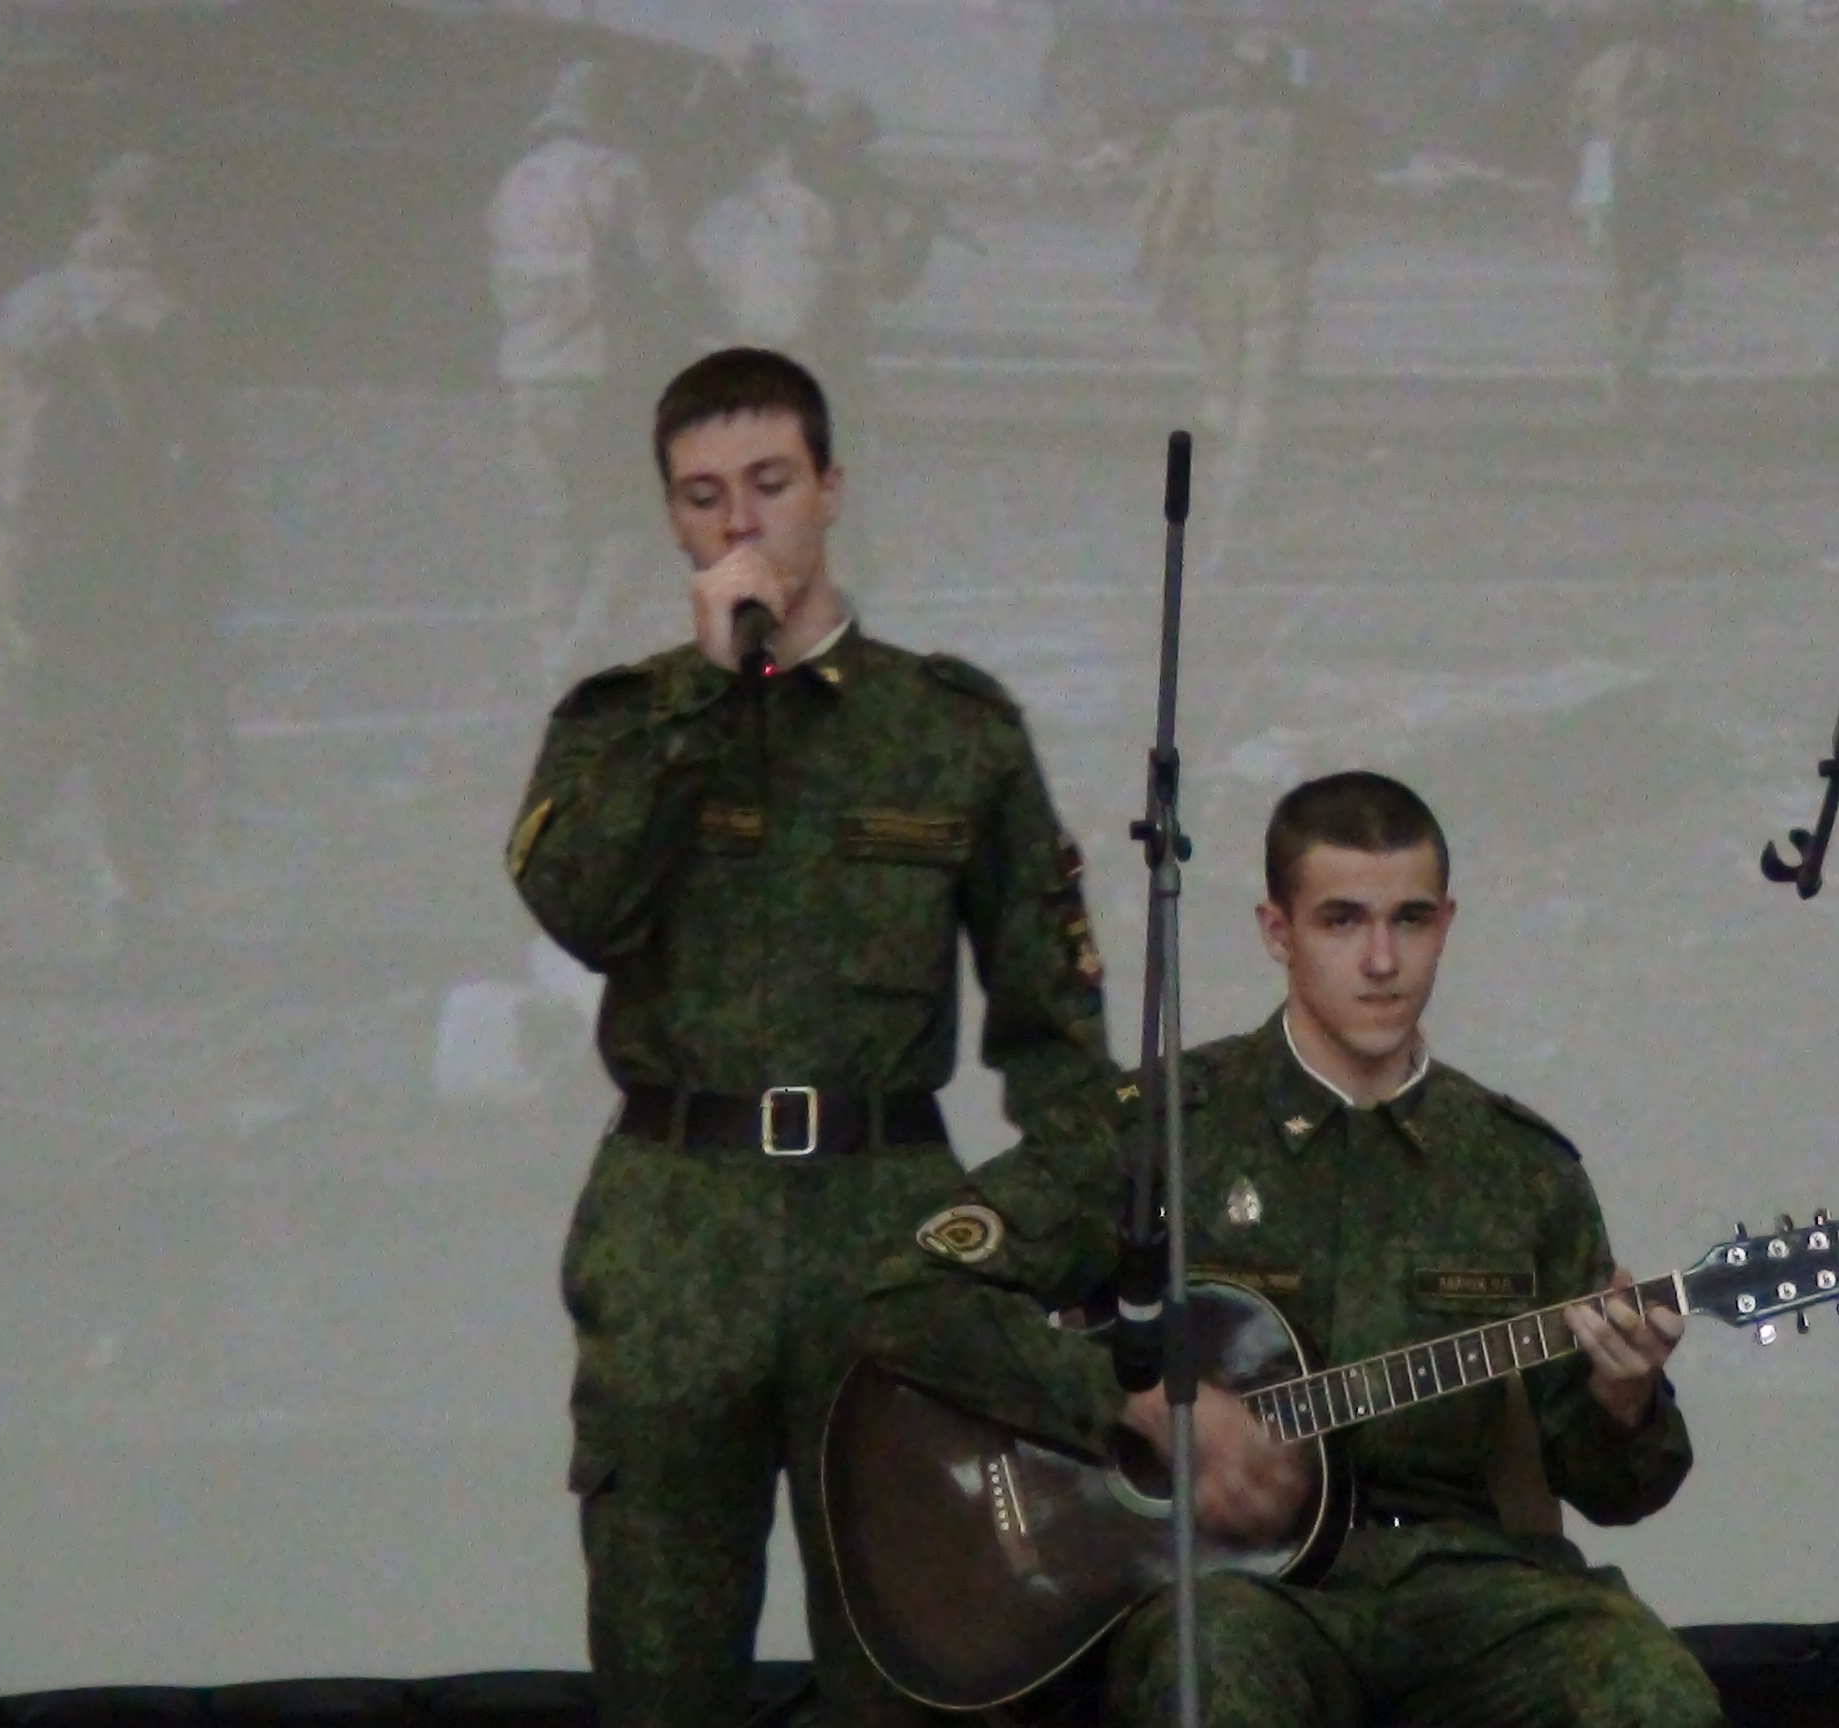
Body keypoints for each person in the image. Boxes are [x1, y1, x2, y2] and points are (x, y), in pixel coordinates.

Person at [504, 346, 1116, 1728]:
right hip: (677, 1231)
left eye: (770, 483)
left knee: (912, 1666)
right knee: (662, 1671)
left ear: (831, 488)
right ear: (672, 518)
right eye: (703, 495)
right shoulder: (622, 726)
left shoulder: (949, 730)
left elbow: (1057, 1035)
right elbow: (577, 906)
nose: (741, 522)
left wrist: (1043, 1267)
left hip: (888, 1226)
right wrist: (706, 697)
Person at [860, 772, 1721, 1728]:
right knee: (1216, 1663)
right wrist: (1145, 1404)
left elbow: (1621, 1491)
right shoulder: (1166, 1129)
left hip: (1462, 1587)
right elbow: (908, 1295)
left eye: (1411, 920)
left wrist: (1625, 1398)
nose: (1382, 960)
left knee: (1650, 1689)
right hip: (1237, 1594)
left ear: (1446, 925)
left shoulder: (1521, 1168)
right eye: (1342, 920)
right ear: (1279, 931)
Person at [0, 150, 236, 976]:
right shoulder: (164, 319)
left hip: (26, 558)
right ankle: (134, 914)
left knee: (19, 734)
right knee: (134, 741)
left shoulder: (27, 307)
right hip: (122, 561)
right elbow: (198, 460)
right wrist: (204, 568)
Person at [488, 57, 677, 692]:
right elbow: (663, 271)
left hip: (526, 370)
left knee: (553, 520)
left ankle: (550, 654)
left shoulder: (518, 180)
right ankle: (586, 645)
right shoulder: (619, 175)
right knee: (630, 517)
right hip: (601, 371)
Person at [1133, 25, 1321, 562]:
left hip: (1218, 272)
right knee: (1261, 404)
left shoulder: (1196, 129)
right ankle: (1233, 519)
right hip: (1270, 273)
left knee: (1226, 396)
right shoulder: (1295, 132)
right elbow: (1308, 216)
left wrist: (1161, 269)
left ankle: (1225, 504)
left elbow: (1172, 207)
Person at [1568, 2, 1713, 415]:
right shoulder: (1672, 71)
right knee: (1662, 278)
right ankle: (1635, 361)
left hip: (1603, 173)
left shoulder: (1592, 72)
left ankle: (1619, 372)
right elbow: (1691, 135)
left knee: (1618, 280)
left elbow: (1576, 134)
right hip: (1654, 179)